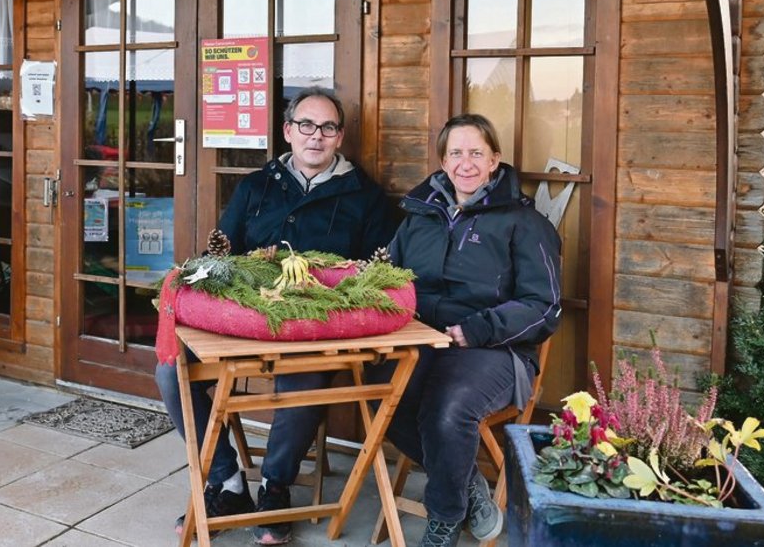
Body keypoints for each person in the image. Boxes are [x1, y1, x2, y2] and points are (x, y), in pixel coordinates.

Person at [155, 87, 395, 545]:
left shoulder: (365, 197)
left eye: (327, 127)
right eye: (306, 125)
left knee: (306, 380)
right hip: (246, 320)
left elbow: (378, 274)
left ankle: (275, 487)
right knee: (170, 371)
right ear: (288, 131)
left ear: (340, 137)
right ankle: (226, 482)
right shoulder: (256, 186)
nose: (316, 136)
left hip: (314, 326)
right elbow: (220, 256)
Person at [384, 113, 561, 547]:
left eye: (476, 153)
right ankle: (467, 486)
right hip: (422, 342)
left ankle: (445, 517)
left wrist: (478, 329)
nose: (466, 163)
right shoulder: (419, 216)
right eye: (456, 153)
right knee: (380, 397)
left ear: (494, 160)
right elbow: (387, 279)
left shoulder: (524, 223)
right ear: (444, 161)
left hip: (495, 350)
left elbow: (544, 306)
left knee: (447, 409)